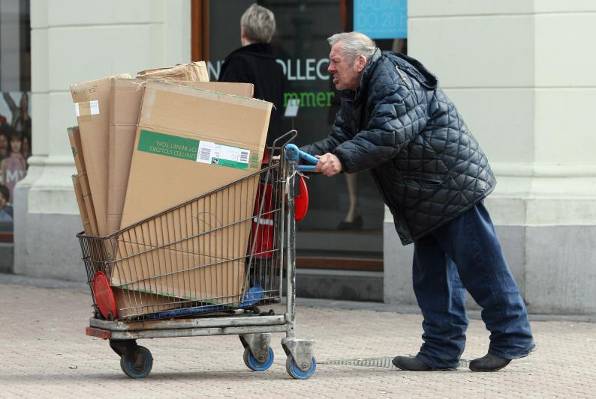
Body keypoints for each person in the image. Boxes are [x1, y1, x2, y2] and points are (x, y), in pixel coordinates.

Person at [301, 32, 535, 372]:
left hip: (450, 185)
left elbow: (388, 133)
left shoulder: (393, 79)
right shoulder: (357, 92)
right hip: (423, 195)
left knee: (481, 265)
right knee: (432, 277)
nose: (329, 69)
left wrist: (341, 158)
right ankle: (441, 350)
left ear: (359, 62)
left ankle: (512, 337)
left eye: (335, 61)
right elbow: (341, 138)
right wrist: (296, 157)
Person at [218, 3, 285, 146]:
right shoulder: (276, 67)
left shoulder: (237, 63)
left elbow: (225, 113)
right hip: (272, 148)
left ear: (244, 32)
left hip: (241, 150)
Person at [0, 130, 27, 202]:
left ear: (21, 143)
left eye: (18, 141)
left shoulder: (24, 161)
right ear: (10, 143)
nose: (15, 144)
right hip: (8, 201)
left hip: (21, 199)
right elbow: (3, 183)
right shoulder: (4, 162)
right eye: (13, 141)